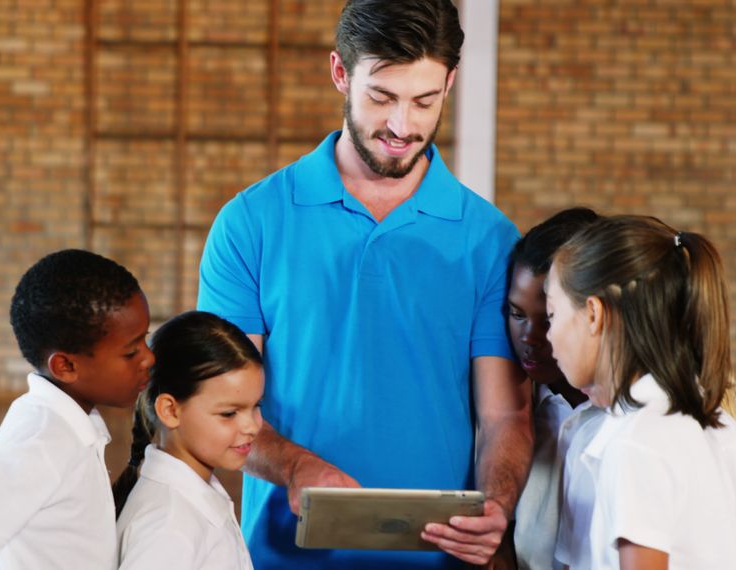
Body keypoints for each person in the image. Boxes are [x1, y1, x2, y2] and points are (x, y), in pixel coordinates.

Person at [196, 1, 532, 567]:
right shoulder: (250, 223)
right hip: (284, 556)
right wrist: (297, 466)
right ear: (340, 74)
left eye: (425, 101)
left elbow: (505, 416)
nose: (403, 127)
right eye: (381, 97)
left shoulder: (490, 240)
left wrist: (498, 503)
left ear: (450, 83)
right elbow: (220, 406)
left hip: (440, 559)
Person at [0, 249, 155, 569]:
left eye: (145, 341)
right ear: (65, 366)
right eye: (130, 352)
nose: (148, 358)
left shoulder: (71, 422)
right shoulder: (46, 437)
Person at [543, 215, 736, 569]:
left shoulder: (635, 441)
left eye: (552, 315)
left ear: (594, 315)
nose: (548, 335)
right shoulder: (703, 426)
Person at [113, 311, 263, 569]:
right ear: (171, 410)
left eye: (256, 406)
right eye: (229, 413)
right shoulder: (168, 526)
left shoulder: (195, 497)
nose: (251, 426)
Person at [504, 208, 598, 570]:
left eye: (549, 318)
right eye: (516, 314)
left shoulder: (630, 419)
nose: (529, 338)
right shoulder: (509, 409)